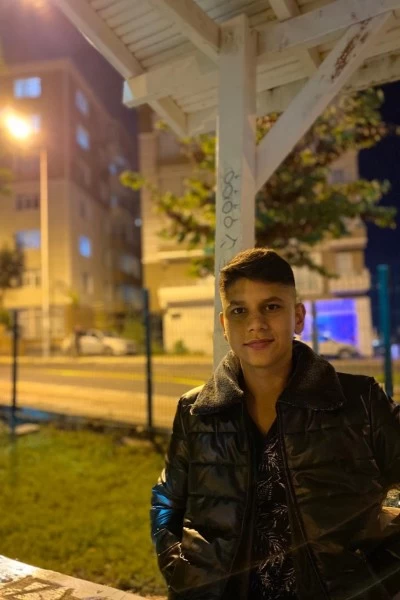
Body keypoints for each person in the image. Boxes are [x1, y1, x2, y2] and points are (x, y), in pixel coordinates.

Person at [151, 248, 400, 600]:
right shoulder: (197, 411)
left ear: (297, 316)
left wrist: (380, 575)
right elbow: (167, 500)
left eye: (271, 306)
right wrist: (183, 570)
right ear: (224, 325)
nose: (256, 324)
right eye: (239, 311)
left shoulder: (359, 401)